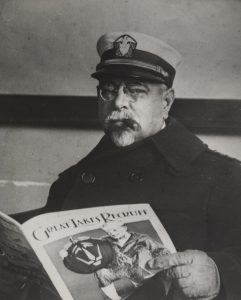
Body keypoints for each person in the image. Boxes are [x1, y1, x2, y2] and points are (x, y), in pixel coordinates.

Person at [1, 31, 241, 299]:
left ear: (166, 102)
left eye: (135, 92)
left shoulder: (224, 175)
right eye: (109, 90)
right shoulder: (75, 177)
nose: (118, 102)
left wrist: (218, 273)